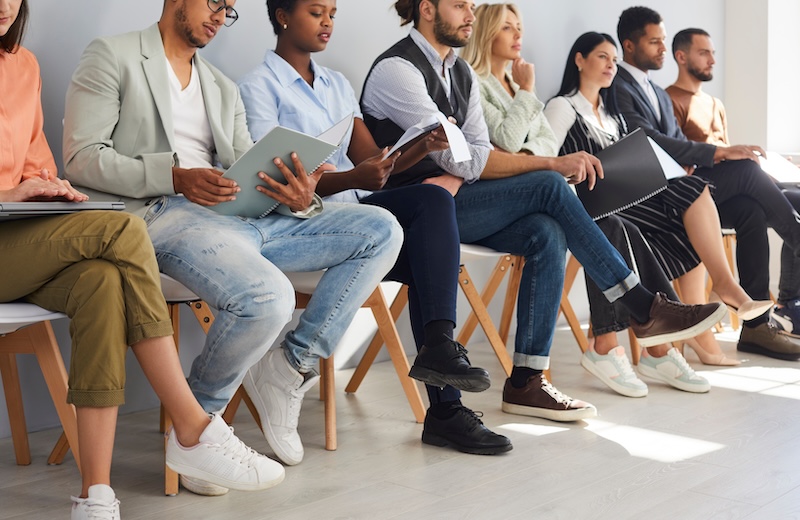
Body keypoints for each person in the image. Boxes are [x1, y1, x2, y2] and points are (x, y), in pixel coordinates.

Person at [62, 0, 404, 495]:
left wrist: (295, 192)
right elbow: (81, 158)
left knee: (381, 228)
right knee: (268, 296)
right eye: (214, 2)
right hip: (160, 216)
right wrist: (174, 176)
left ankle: (288, 367)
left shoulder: (220, 85)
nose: (221, 15)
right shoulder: (111, 55)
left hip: (242, 218)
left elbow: (249, 167)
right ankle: (201, 430)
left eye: (229, 8)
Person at [361, 0, 726, 419]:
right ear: (427, 8)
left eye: (472, 6)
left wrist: (468, 168)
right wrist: (546, 163)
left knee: (545, 232)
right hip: (414, 211)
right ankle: (641, 305)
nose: (470, 15)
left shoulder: (459, 72)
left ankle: (527, 382)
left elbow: (474, 156)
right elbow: (464, 157)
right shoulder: (397, 69)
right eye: (460, 5)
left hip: (458, 199)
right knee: (552, 183)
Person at [0, 1, 284, 517]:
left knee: (103, 283)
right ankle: (192, 427)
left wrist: (46, 186)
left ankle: (96, 494)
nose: (4, 5)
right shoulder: (111, 55)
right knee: (127, 228)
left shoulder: (23, 64)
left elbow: (36, 158)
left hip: (21, 236)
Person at [237, 0, 511, 456]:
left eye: (332, 13)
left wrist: (422, 145)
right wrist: (352, 179)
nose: (328, 23)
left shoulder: (337, 84)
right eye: (315, 12)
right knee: (428, 242)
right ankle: (443, 404)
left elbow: (374, 162)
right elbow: (274, 177)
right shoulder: (258, 87)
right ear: (283, 16)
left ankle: (442, 367)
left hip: (361, 213)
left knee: (432, 200)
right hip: (308, 225)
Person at [463, 5, 769, 398]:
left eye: (520, 25)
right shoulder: (486, 84)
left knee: (634, 223)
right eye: (507, 26)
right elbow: (515, 146)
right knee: (623, 219)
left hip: (565, 196)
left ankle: (656, 342)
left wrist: (534, 147)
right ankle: (625, 338)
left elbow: (537, 147)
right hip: (547, 195)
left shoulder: (527, 90)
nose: (518, 33)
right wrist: (529, 112)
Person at [611, 6, 800, 361]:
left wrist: (710, 156)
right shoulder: (617, 86)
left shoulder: (653, 91)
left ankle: (756, 327)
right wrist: (718, 153)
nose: (662, 49)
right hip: (653, 192)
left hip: (683, 182)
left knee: (750, 210)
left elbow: (672, 142)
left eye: (663, 41)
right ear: (630, 45)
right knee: (744, 170)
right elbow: (646, 139)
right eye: (654, 42)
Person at [665, 27, 800, 337]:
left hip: (729, 195)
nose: (712, 59)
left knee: (770, 202)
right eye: (704, 52)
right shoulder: (669, 99)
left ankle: (762, 318)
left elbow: (727, 158)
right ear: (681, 56)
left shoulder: (714, 104)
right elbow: (678, 161)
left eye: (713, 52)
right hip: (694, 198)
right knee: (749, 174)